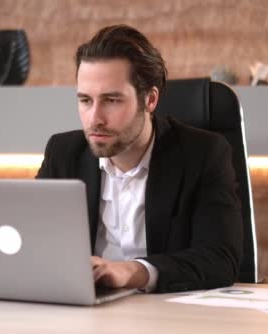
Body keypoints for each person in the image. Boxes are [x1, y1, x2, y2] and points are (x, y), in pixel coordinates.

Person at [36, 24, 242, 293]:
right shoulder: (62, 152)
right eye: (85, 100)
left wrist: (133, 271)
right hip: (84, 315)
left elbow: (220, 260)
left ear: (150, 100)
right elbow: (33, 240)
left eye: (111, 100)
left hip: (169, 319)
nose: (94, 119)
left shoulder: (203, 154)